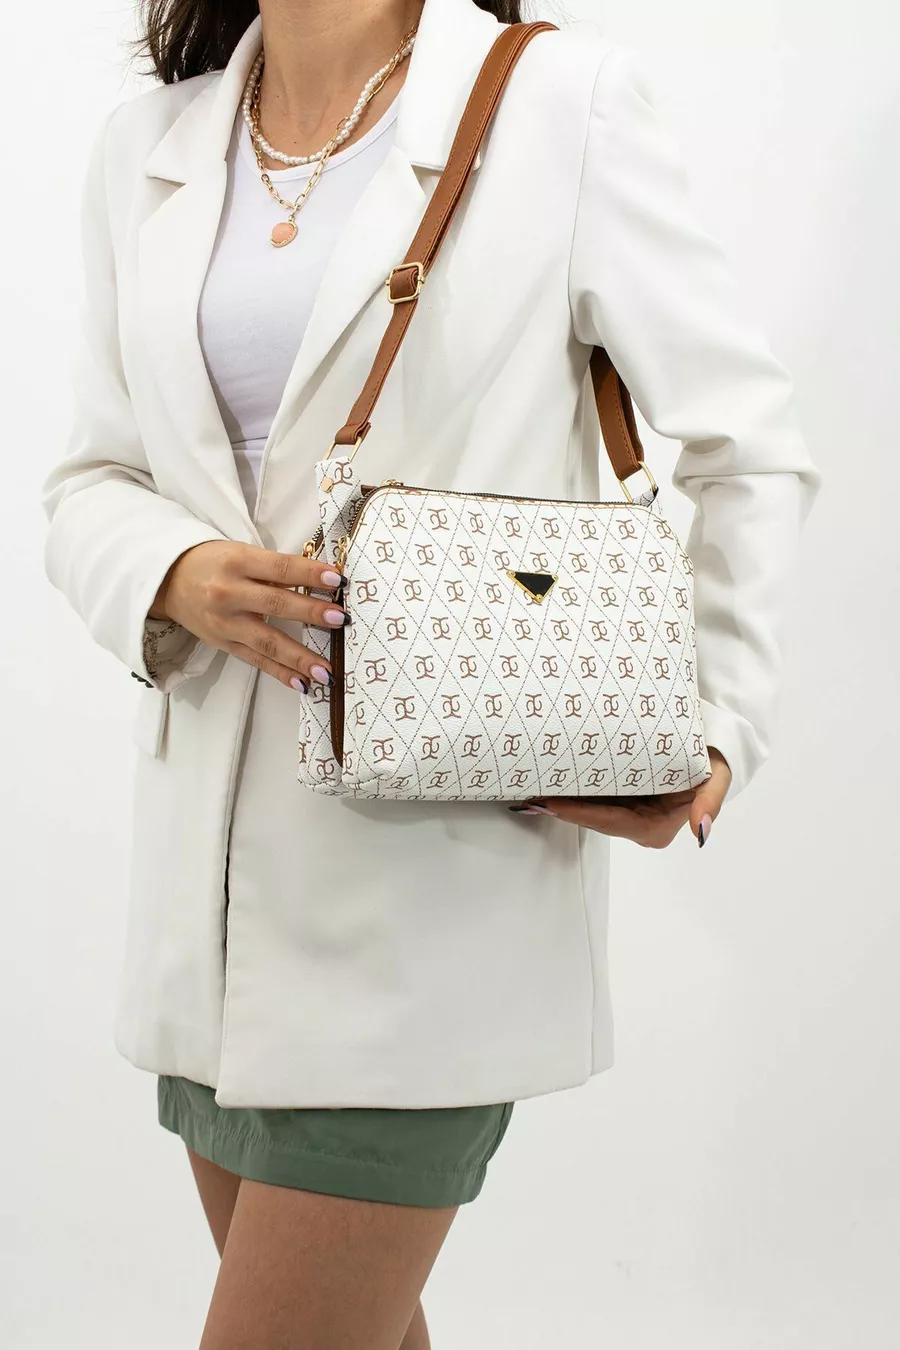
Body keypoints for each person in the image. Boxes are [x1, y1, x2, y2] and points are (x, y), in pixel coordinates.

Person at [40, 0, 820, 1344]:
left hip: (430, 892)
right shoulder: (152, 145)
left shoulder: (561, 105)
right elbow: (91, 477)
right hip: (204, 915)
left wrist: (717, 727)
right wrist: (173, 569)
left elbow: (747, 445)